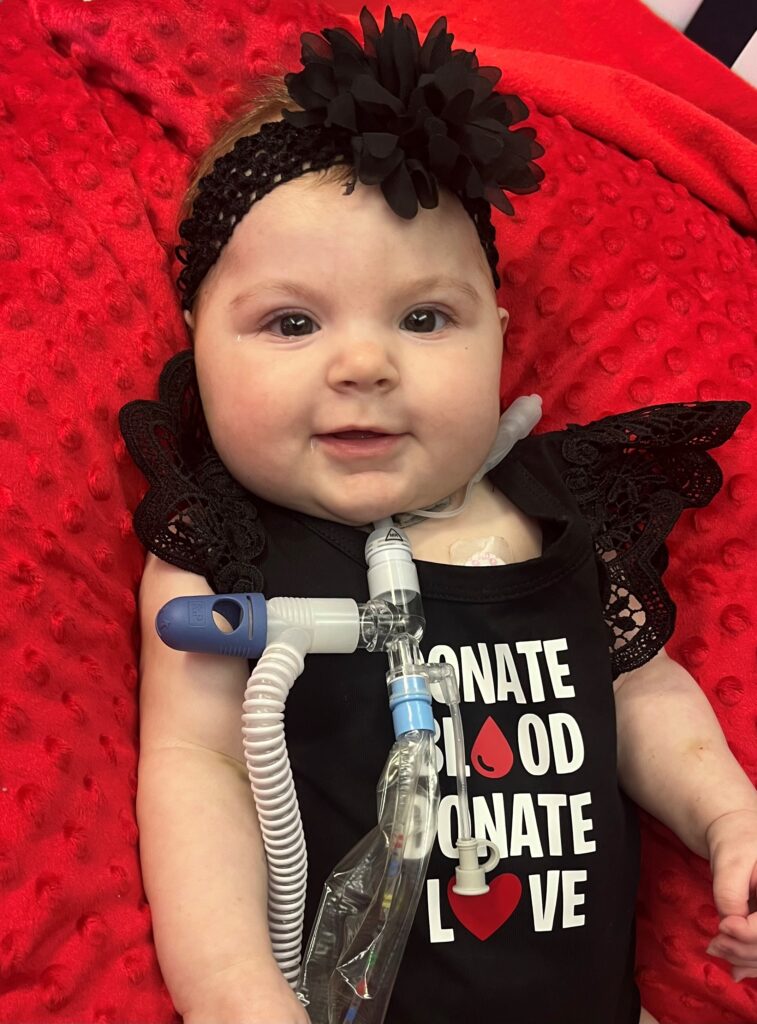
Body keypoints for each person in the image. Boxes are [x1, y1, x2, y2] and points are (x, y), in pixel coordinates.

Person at [119, 7, 757, 1023]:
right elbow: (199, 770)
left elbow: (642, 692)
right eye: (291, 321)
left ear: (496, 334)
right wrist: (236, 994)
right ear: (196, 339)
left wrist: (728, 817)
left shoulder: (557, 511)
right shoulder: (222, 553)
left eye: (424, 318)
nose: (364, 364)